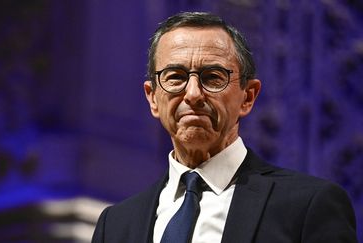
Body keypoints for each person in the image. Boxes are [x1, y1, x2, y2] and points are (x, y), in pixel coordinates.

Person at [92, 12, 357, 243]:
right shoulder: (115, 225)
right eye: (175, 77)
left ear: (248, 96)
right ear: (152, 97)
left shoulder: (308, 206)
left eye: (212, 77)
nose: (193, 94)